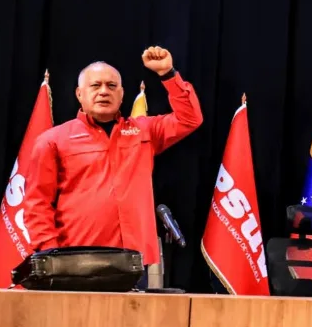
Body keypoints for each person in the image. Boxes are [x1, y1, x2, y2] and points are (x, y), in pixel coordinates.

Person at [23, 46, 203, 270]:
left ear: (122, 94)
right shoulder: (53, 140)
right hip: (77, 258)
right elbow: (37, 203)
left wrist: (168, 74)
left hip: (135, 259)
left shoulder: (144, 131)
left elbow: (190, 119)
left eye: (111, 86)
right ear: (79, 94)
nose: (104, 91)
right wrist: (52, 254)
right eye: (95, 85)